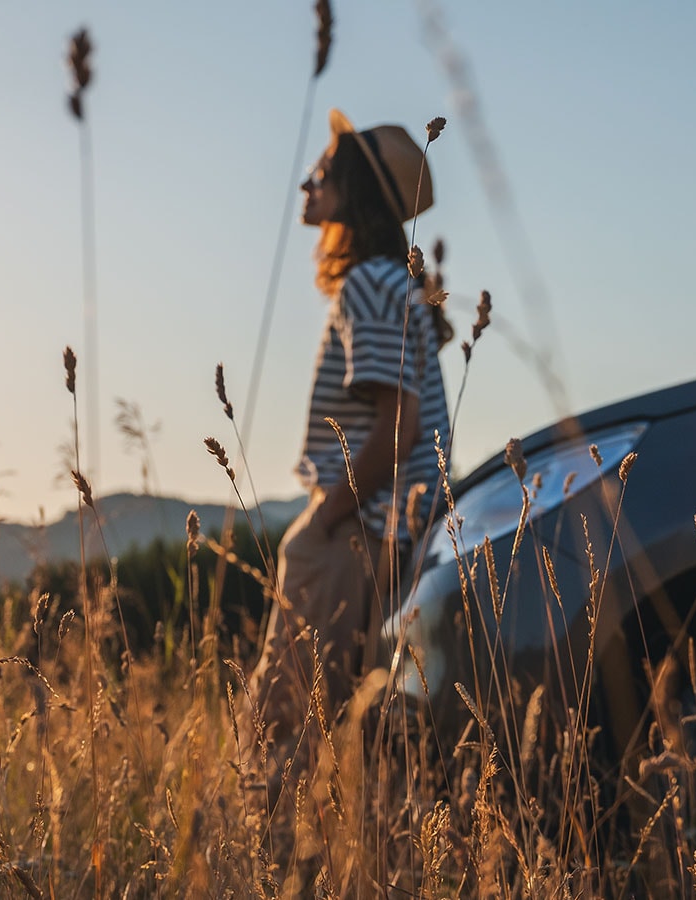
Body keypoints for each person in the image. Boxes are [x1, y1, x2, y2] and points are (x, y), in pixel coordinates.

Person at [244, 109, 452, 762]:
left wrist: (324, 520)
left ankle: (261, 857)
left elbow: (399, 425)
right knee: (370, 736)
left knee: (279, 730)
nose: (307, 185)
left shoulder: (368, 283)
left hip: (356, 530)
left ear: (354, 193)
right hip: (396, 532)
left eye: (322, 174)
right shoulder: (401, 284)